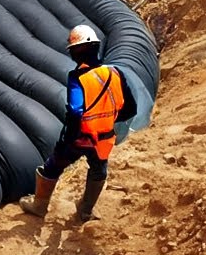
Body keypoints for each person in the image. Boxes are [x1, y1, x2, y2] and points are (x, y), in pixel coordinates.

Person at [20, 25, 136, 222]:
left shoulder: (78, 78)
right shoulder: (116, 73)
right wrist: (106, 121)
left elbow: (75, 110)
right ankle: (85, 211)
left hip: (81, 137)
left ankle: (39, 206)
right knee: (98, 170)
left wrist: (69, 137)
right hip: (104, 139)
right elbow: (130, 108)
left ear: (75, 52)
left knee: (54, 165)